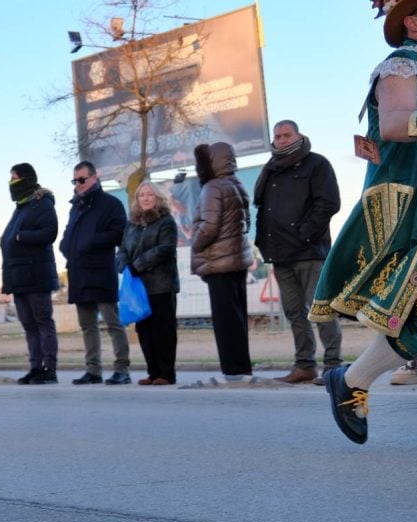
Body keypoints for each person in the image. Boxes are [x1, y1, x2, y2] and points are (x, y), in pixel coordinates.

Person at [317, 0, 417, 443]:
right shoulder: (401, 65)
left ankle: (353, 379)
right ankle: (352, 379)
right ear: (415, 19)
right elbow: (396, 125)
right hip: (414, 203)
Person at [252, 119, 343, 385]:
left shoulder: (317, 164)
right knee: (294, 312)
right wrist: (262, 241)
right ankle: (304, 366)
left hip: (309, 251)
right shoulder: (271, 169)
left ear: (298, 135)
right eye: (277, 136)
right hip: (279, 253)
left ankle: (333, 366)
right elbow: (263, 209)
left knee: (321, 309)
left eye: (286, 135)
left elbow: (328, 203)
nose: (281, 140)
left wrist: (304, 233)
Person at [60, 161, 131, 385]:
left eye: (82, 180)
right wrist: (67, 246)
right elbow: (69, 233)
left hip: (101, 271)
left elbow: (120, 233)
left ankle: (122, 369)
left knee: (112, 322)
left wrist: (91, 241)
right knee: (87, 325)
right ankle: (93, 370)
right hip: (79, 273)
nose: (78, 185)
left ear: (94, 178)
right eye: (75, 181)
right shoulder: (76, 206)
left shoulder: (111, 204)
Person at [191, 141, 254, 382]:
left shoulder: (213, 187)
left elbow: (209, 227)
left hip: (219, 263)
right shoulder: (236, 184)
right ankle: (242, 367)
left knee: (225, 322)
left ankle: (233, 370)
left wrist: (195, 245)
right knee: (237, 319)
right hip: (237, 260)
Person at [1, 163, 61, 385]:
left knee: (42, 320)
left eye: (14, 178)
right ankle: (35, 366)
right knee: (28, 324)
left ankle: (49, 368)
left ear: (26, 179)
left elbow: (49, 232)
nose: (11, 183)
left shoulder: (42, 203)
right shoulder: (21, 207)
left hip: (36, 273)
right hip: (18, 276)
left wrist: (21, 237)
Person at [116, 182, 180, 385]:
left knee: (163, 330)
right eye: (141, 195)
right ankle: (153, 372)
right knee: (144, 330)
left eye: (149, 194)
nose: (145, 198)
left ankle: (166, 374)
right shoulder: (131, 224)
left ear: (157, 198)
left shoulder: (166, 221)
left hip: (161, 284)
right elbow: (123, 249)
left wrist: (138, 265)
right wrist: (125, 265)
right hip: (138, 286)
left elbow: (165, 249)